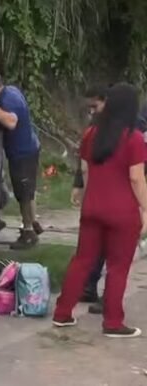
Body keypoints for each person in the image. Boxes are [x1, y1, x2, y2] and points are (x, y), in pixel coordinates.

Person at [53, 82, 147, 338]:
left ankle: (62, 313)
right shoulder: (134, 138)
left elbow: (85, 171)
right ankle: (113, 323)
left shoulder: (91, 134)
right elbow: (137, 179)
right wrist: (146, 209)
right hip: (123, 212)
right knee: (118, 267)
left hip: (93, 207)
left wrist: (87, 197)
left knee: (82, 260)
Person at [0, 72, 43, 250]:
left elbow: (11, 122)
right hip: (29, 147)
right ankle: (34, 222)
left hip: (22, 152)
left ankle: (28, 233)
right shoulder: (11, 90)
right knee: (28, 190)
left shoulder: (7, 101)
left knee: (23, 193)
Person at [70, 86, 107, 314]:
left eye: (95, 106)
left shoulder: (126, 127)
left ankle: (105, 293)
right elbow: (84, 161)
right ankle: (89, 286)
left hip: (111, 195)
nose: (92, 112)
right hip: (102, 195)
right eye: (90, 108)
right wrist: (78, 185)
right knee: (96, 243)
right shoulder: (95, 128)